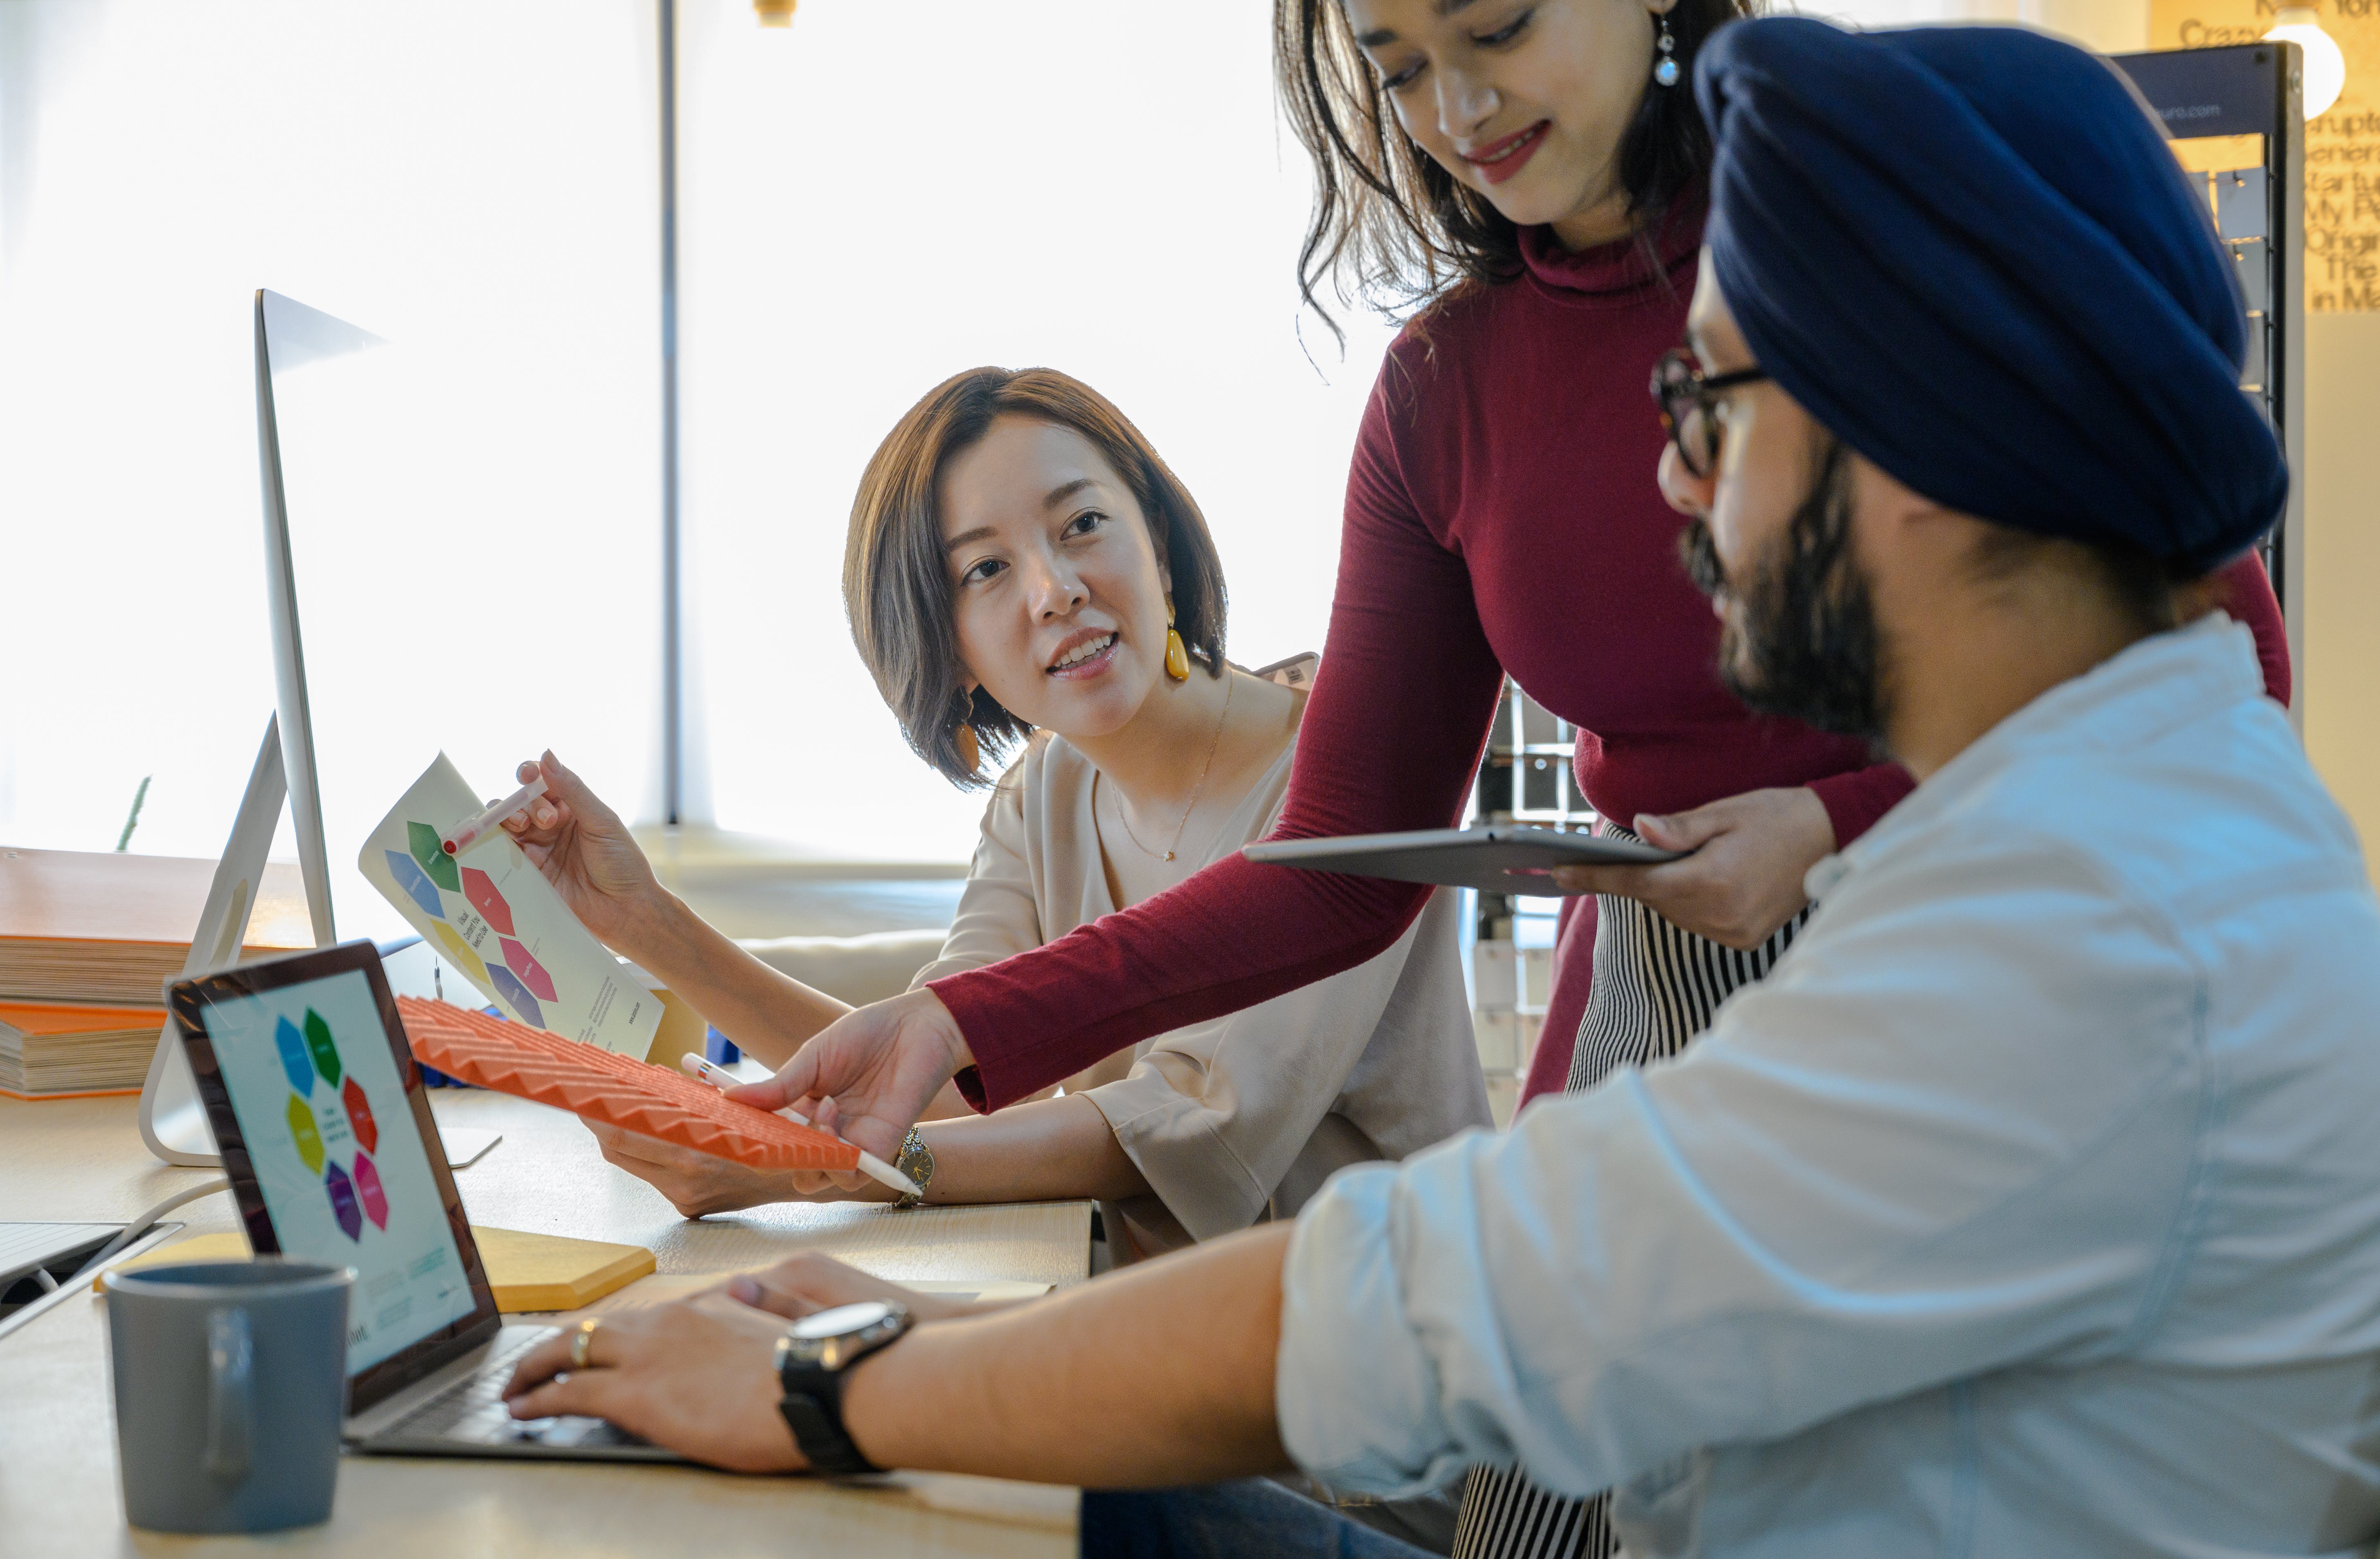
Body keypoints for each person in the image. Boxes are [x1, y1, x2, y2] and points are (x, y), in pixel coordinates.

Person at [501, 20, 2380, 1557]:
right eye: (1398, 62)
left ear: (1927, 429)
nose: (1662, 488)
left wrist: (837, 1379)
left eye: (1703, 410)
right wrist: (921, 1220)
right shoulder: (2142, 823)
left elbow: (1379, 1309)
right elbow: (1426, 1164)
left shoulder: (2033, 948)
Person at [500, 367, 1487, 1256]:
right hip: (1159, 1346)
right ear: (950, 656)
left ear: (1160, 541)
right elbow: (931, 1073)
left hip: (1382, 1395)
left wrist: (816, 1167)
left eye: (1083, 525)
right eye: (985, 570)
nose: (1056, 590)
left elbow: (1191, 1117)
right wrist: (643, 922)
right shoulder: (1041, 797)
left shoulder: (1349, 779)